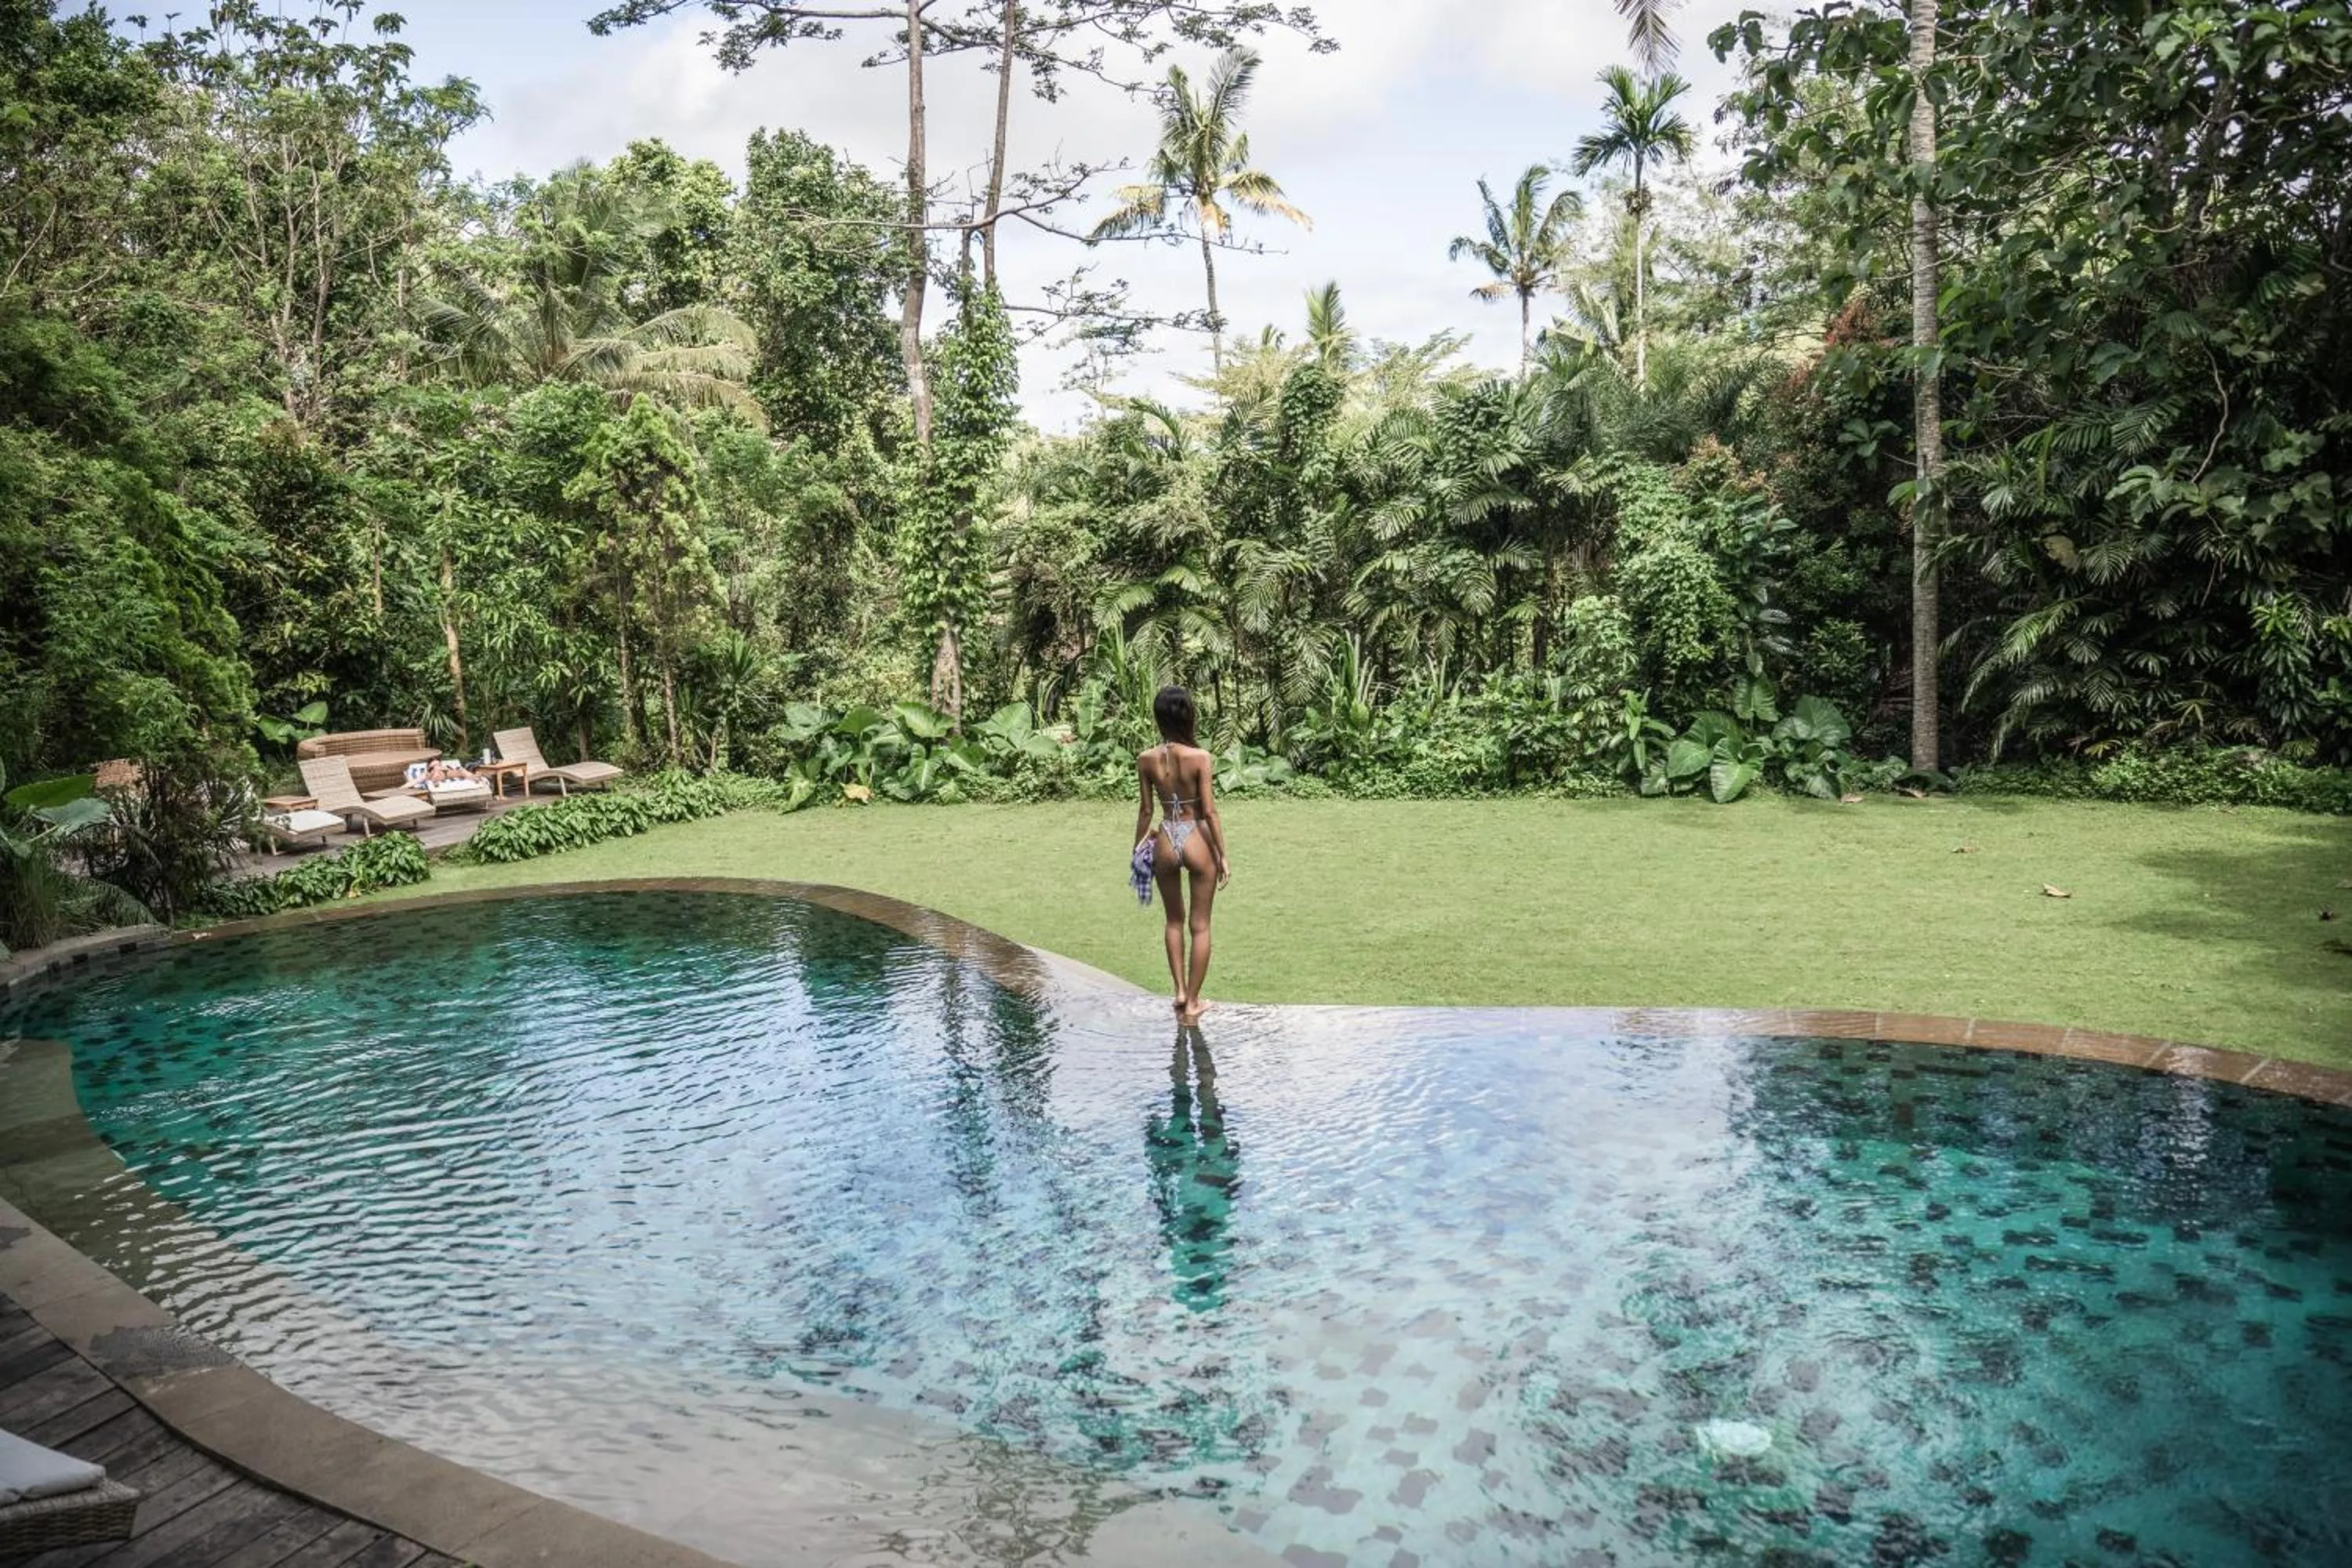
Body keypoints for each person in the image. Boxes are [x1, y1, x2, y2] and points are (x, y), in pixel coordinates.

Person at [1133, 686, 1229, 1024]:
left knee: (1173, 920)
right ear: (1188, 716)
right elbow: (1210, 812)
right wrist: (1223, 855)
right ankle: (1193, 1003)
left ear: (1159, 718)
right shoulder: (1199, 757)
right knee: (1200, 926)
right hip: (1196, 837)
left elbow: (1146, 811)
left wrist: (1138, 847)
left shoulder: (1146, 759)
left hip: (1166, 837)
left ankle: (1178, 992)